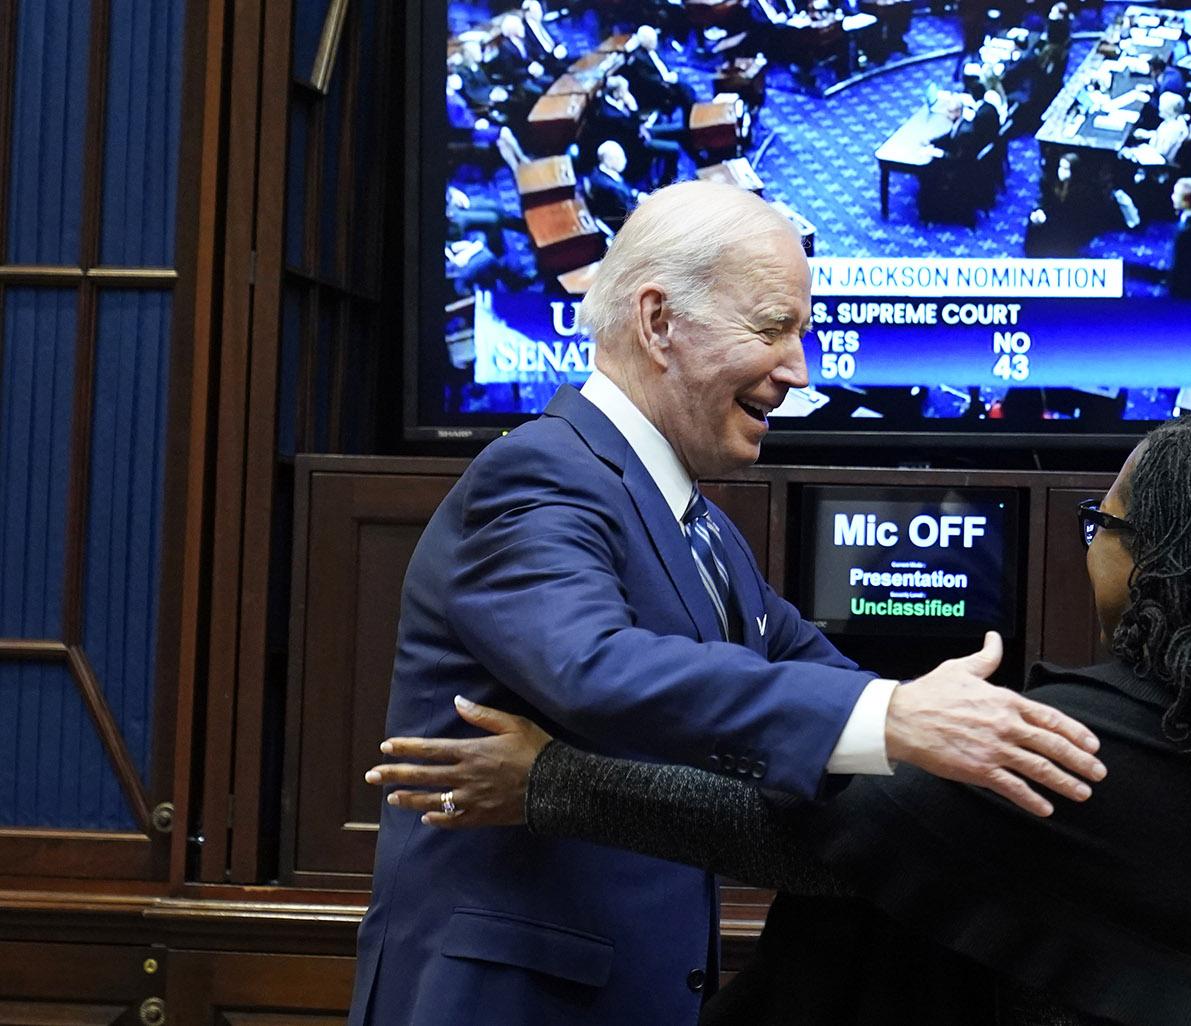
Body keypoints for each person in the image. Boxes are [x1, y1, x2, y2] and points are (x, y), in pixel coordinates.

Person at [347, 181, 1106, 1026]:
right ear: (659, 321)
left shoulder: (700, 525)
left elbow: (813, 679)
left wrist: (966, 744)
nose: (799, 369)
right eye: (773, 327)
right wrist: (890, 715)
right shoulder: (540, 473)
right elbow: (592, 666)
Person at [370, 414, 1191, 1026]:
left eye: (1102, 526)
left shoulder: (1079, 745)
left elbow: (809, 844)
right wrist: (893, 711)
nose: (1094, 551)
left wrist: (549, 780)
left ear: (1157, 558)